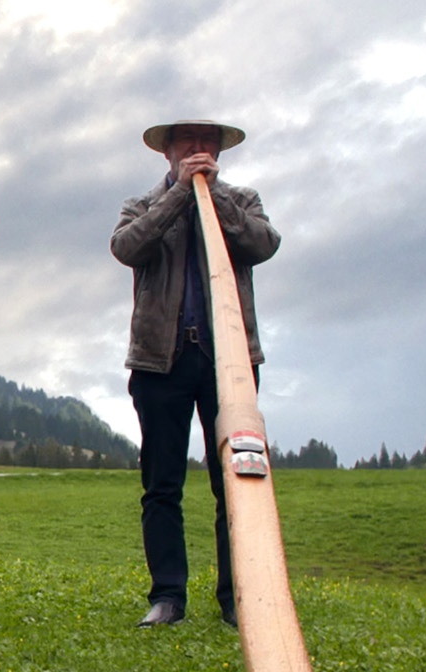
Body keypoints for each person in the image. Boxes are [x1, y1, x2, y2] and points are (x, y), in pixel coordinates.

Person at [111, 119, 281, 628]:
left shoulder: (243, 199)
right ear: (167, 152)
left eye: (207, 143)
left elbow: (263, 244)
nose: (198, 149)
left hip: (229, 361)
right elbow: (126, 248)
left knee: (234, 480)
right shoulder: (142, 205)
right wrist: (180, 194)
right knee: (162, 484)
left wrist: (214, 198)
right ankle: (167, 595)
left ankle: (238, 597)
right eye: (188, 142)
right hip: (160, 360)